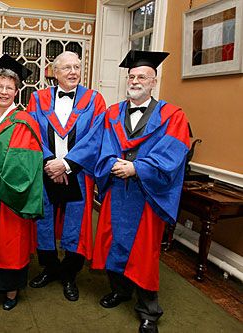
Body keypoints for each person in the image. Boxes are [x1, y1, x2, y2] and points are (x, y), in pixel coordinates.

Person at [92, 50, 190, 333]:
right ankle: (120, 290)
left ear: (153, 82)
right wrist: (112, 163)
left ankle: (149, 310)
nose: (135, 81)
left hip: (147, 193)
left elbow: (172, 152)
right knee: (114, 241)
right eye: (131, 76)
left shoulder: (173, 115)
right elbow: (103, 143)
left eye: (142, 77)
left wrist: (138, 168)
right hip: (117, 190)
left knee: (144, 251)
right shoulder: (112, 113)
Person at [26, 51, 106, 301]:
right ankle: (49, 268)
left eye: (77, 67)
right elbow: (32, 131)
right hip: (46, 170)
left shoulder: (94, 100)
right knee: (44, 220)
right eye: (67, 67)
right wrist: (50, 162)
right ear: (54, 72)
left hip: (78, 172)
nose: (73, 72)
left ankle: (70, 274)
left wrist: (67, 164)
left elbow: (96, 136)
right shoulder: (38, 98)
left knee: (77, 224)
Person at [0, 54, 44, 311]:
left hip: (10, 198)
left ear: (18, 90)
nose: (4, 91)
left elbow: (22, 165)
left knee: (11, 243)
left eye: (9, 87)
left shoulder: (24, 123)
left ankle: (12, 291)